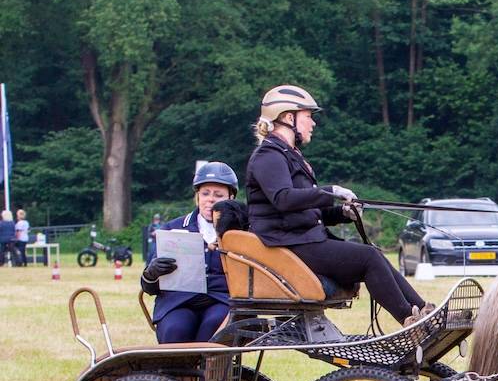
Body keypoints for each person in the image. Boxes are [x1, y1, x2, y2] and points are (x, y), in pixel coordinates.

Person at [244, 84, 429, 325]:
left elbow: (309, 212)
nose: (313, 123)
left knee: (374, 255)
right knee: (368, 258)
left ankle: (423, 311)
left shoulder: (289, 155)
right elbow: (284, 199)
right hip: (287, 245)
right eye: (308, 116)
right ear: (289, 117)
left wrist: (342, 212)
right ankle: (409, 320)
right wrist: (330, 192)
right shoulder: (268, 156)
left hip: (302, 240)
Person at [140, 163, 236, 343]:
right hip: (178, 301)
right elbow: (148, 287)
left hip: (221, 301)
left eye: (218, 195)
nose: (211, 200)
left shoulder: (240, 233)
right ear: (197, 196)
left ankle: (208, 371)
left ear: (231, 197)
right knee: (175, 328)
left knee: (215, 325)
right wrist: (152, 272)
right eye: (205, 193)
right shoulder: (172, 228)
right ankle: (177, 371)